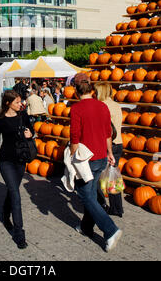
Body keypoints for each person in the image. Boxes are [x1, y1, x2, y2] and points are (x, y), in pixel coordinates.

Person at [70, 73, 122, 252]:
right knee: (91, 195)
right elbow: (108, 133)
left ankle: (110, 230)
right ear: (91, 88)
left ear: (76, 90)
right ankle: (85, 227)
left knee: (86, 196)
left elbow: (74, 138)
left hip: (86, 159)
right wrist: (109, 153)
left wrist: (72, 159)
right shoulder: (102, 106)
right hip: (101, 157)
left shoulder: (76, 109)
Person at [0, 90, 34, 249]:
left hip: (21, 159)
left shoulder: (23, 116)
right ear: (8, 103)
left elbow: (31, 131)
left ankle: (4, 211)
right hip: (6, 160)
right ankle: (19, 233)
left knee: (12, 189)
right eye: (16, 102)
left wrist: (30, 135)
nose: (20, 104)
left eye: (20, 101)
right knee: (15, 194)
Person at [94, 82, 124, 217]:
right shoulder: (116, 105)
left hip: (108, 145)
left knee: (97, 176)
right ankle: (117, 208)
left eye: (95, 91)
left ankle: (101, 204)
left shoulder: (102, 106)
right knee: (112, 177)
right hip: (119, 143)